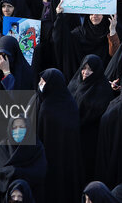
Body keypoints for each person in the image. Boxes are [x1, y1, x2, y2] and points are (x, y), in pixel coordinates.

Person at [33, 69, 84, 202]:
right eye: (41, 81)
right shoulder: (68, 103)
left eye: (44, 81)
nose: (40, 84)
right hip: (56, 157)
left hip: (60, 156)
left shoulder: (48, 106)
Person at [67, 55, 113, 183]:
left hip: (90, 138)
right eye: (84, 68)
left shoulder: (102, 89)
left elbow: (96, 113)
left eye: (90, 69)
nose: (86, 72)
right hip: (72, 135)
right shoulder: (75, 82)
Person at [0, 116, 48, 203]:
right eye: (15, 127)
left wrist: (16, 172)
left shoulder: (36, 147)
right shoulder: (4, 146)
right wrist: (9, 173)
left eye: (21, 127)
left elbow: (40, 171)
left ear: (28, 128)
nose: (18, 130)